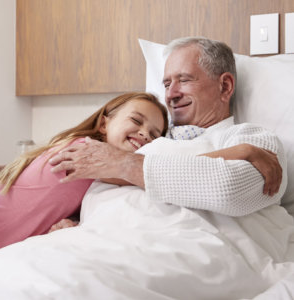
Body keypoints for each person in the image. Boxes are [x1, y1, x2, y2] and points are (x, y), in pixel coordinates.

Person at [49, 37, 286, 218]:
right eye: (166, 83)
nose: (170, 94)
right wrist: (74, 221)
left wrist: (123, 165)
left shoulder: (255, 141)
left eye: (183, 80)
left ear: (224, 86)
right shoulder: (145, 140)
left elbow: (229, 189)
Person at [0, 92, 169, 259]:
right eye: (136, 120)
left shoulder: (84, 159)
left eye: (154, 135)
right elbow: (147, 175)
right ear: (104, 124)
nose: (144, 134)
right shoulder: (84, 152)